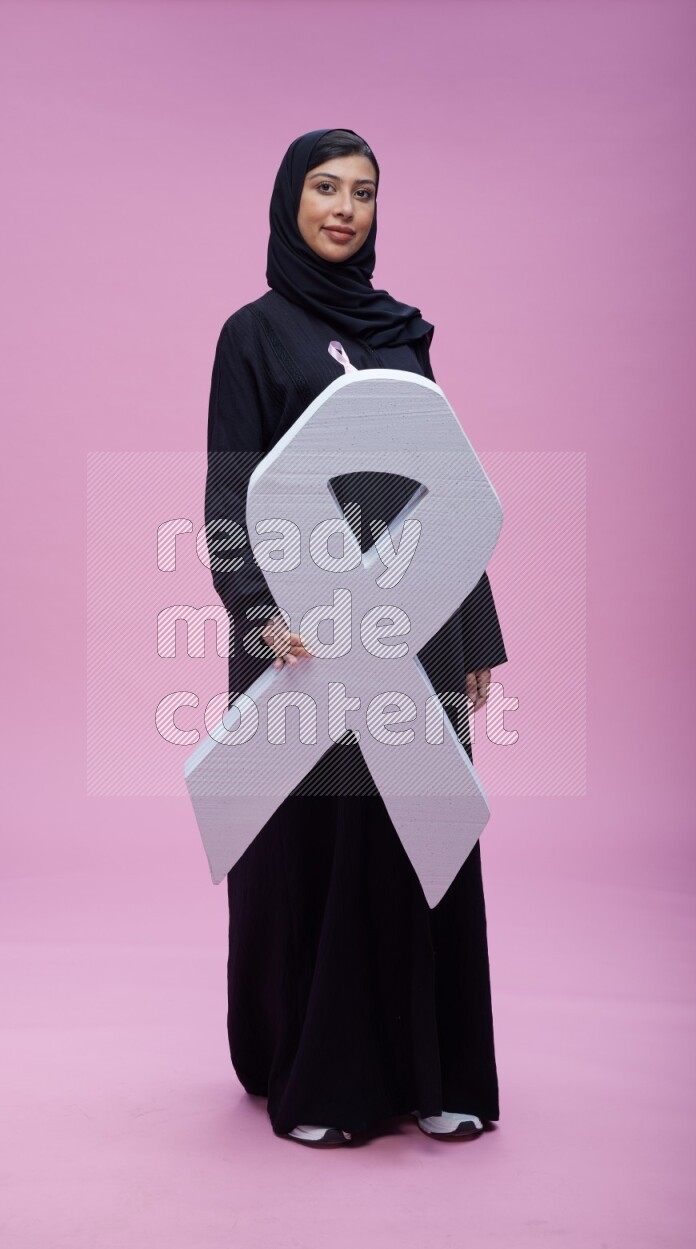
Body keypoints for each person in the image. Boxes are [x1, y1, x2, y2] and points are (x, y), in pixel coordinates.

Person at [204, 129, 508, 1147]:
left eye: (364, 192)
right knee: (319, 854)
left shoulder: (401, 334)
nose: (345, 208)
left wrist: (473, 632)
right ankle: (320, 1080)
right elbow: (228, 491)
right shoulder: (253, 335)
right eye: (325, 188)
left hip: (413, 630)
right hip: (307, 636)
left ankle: (435, 1074)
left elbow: (447, 489)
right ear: (289, 199)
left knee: (422, 842)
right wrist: (261, 612)